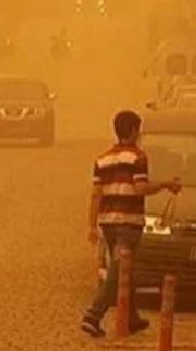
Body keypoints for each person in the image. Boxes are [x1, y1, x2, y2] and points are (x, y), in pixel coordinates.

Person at [80, 110, 182, 339]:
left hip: (108, 223)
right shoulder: (138, 157)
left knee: (125, 269)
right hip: (128, 222)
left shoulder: (103, 159)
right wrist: (166, 185)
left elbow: (96, 194)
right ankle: (93, 315)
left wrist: (91, 225)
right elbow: (140, 189)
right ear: (135, 131)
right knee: (118, 271)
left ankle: (132, 318)